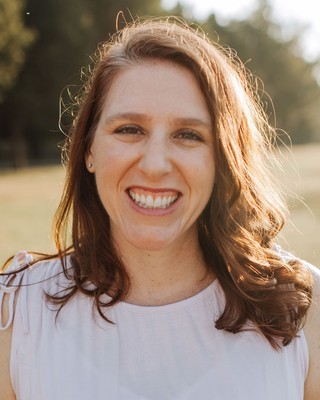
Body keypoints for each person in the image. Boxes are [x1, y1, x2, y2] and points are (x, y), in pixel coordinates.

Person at [0, 17, 319, 400]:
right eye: (129, 129)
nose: (155, 165)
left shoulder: (306, 310)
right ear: (88, 149)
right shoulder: (17, 312)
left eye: (188, 135)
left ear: (223, 159)